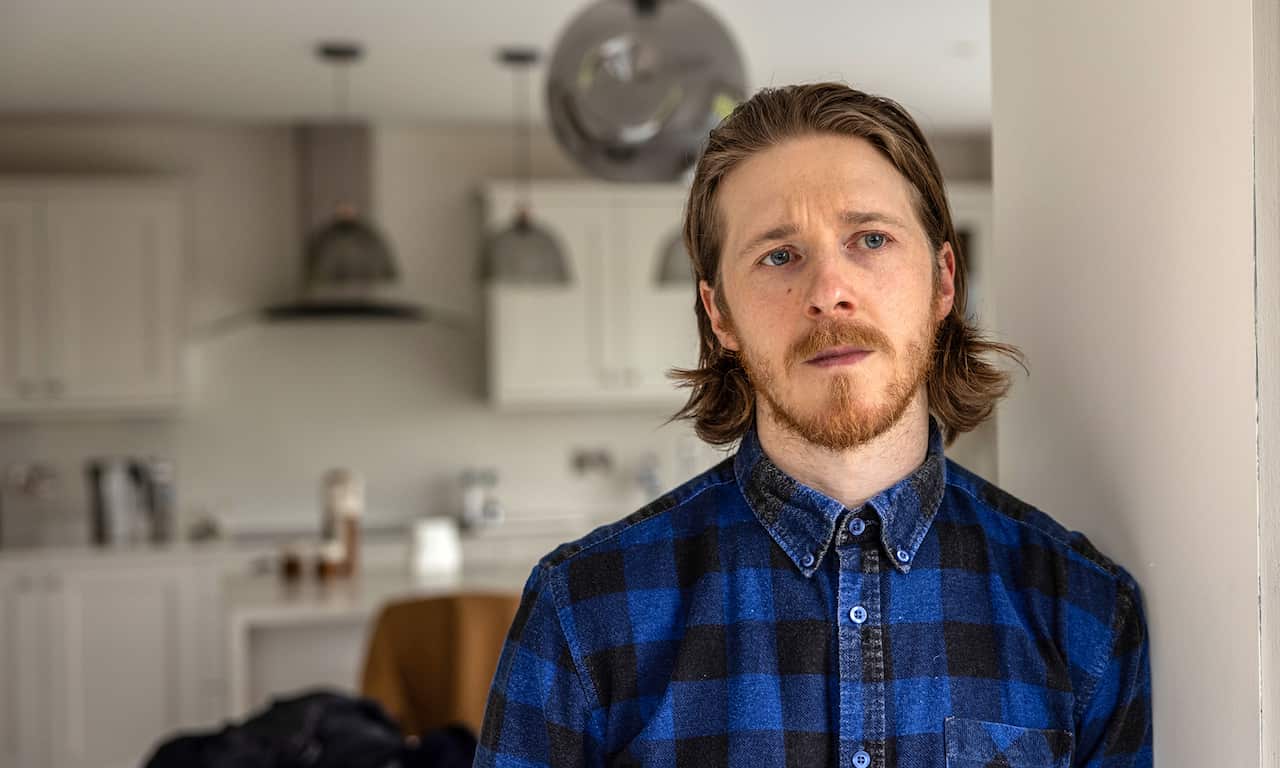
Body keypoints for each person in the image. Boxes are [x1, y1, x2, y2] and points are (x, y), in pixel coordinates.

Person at [473, 83, 1151, 768]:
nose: (829, 292)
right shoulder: (582, 613)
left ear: (943, 280)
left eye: (872, 239)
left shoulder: (1086, 614)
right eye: (778, 255)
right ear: (720, 313)